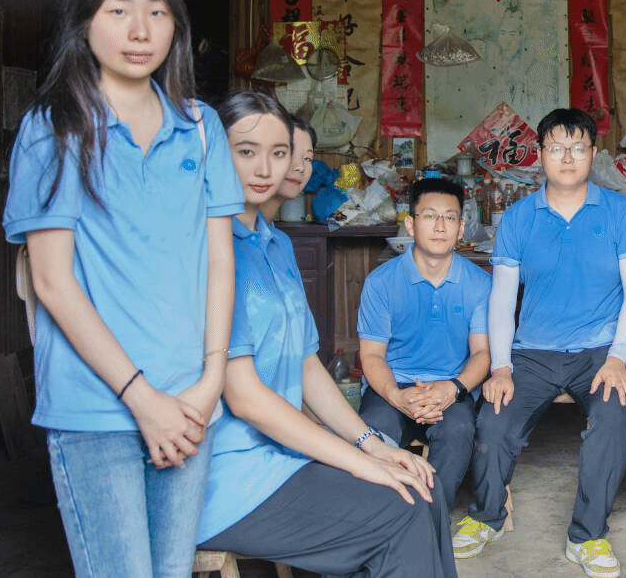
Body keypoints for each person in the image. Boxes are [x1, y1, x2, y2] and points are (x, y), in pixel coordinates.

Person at [2, 0, 244, 578]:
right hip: (97, 408)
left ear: (176, 26)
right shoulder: (55, 127)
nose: (140, 31)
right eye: (118, 10)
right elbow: (52, 282)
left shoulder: (201, 128)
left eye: (157, 12)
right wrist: (142, 400)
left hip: (189, 403)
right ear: (83, 20)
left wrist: (210, 382)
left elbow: (221, 262)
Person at [196, 91, 457, 578]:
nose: (266, 168)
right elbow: (246, 399)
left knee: (425, 485)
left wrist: (371, 444)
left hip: (283, 455)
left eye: (280, 153)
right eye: (245, 151)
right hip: (230, 479)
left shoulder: (276, 245)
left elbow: (306, 366)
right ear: (214, 154)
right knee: (399, 508)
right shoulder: (210, 248)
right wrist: (360, 462)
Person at [451, 108, 626, 578]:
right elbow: (502, 300)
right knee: (493, 421)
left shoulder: (621, 212)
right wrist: (501, 366)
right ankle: (487, 516)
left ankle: (587, 535)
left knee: (613, 420)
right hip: (532, 352)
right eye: (556, 148)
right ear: (540, 155)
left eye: (578, 147)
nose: (567, 157)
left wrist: (619, 358)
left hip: (600, 350)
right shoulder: (519, 217)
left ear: (593, 154)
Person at [357, 177, 492, 507]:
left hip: (450, 387)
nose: (440, 226)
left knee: (458, 432)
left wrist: (452, 389)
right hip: (392, 386)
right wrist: (396, 395)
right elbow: (372, 356)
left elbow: (482, 353)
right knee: (374, 431)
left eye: (449, 217)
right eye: (430, 216)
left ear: (461, 228)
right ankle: (384, 519)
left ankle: (431, 519)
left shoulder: (480, 284)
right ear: (410, 224)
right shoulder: (381, 282)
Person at [259, 113, 315, 222]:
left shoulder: (272, 233)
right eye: (287, 152)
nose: (301, 167)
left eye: (308, 158)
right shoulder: (228, 228)